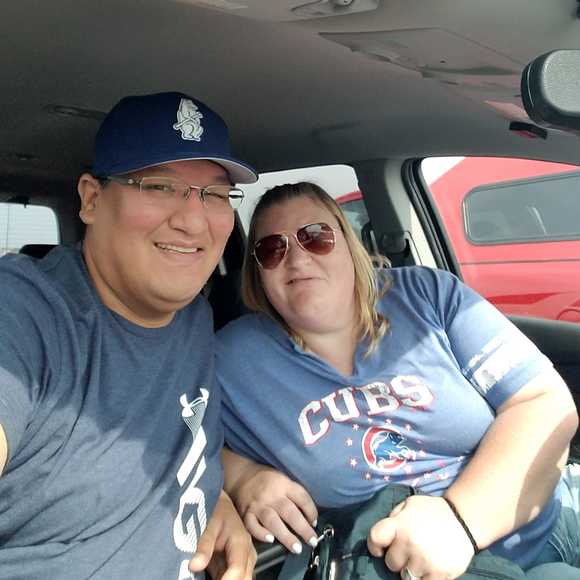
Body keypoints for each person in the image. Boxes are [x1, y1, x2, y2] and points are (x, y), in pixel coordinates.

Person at [216, 182, 580, 579]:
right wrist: (242, 477)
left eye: (316, 237)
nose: (297, 258)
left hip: (540, 528)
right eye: (272, 249)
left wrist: (458, 522)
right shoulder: (234, 360)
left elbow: (541, 401)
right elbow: (176, 443)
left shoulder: (427, 294)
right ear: (258, 273)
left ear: (349, 244)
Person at [0, 91, 258, 579]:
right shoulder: (27, 312)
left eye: (215, 195)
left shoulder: (193, 318)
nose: (192, 220)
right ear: (92, 199)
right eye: (159, 186)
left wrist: (214, 492)